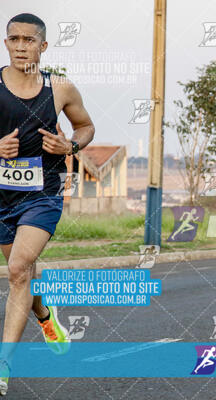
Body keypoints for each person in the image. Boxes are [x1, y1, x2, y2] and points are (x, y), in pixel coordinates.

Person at [0, 13, 95, 395]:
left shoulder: (61, 88)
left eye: (28, 40)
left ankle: (4, 365)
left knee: (20, 270)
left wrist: (70, 145)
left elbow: (86, 126)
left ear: (43, 47)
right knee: (20, 269)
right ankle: (44, 313)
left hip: (43, 193)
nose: (20, 45)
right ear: (6, 43)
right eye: (13, 39)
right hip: (1, 195)